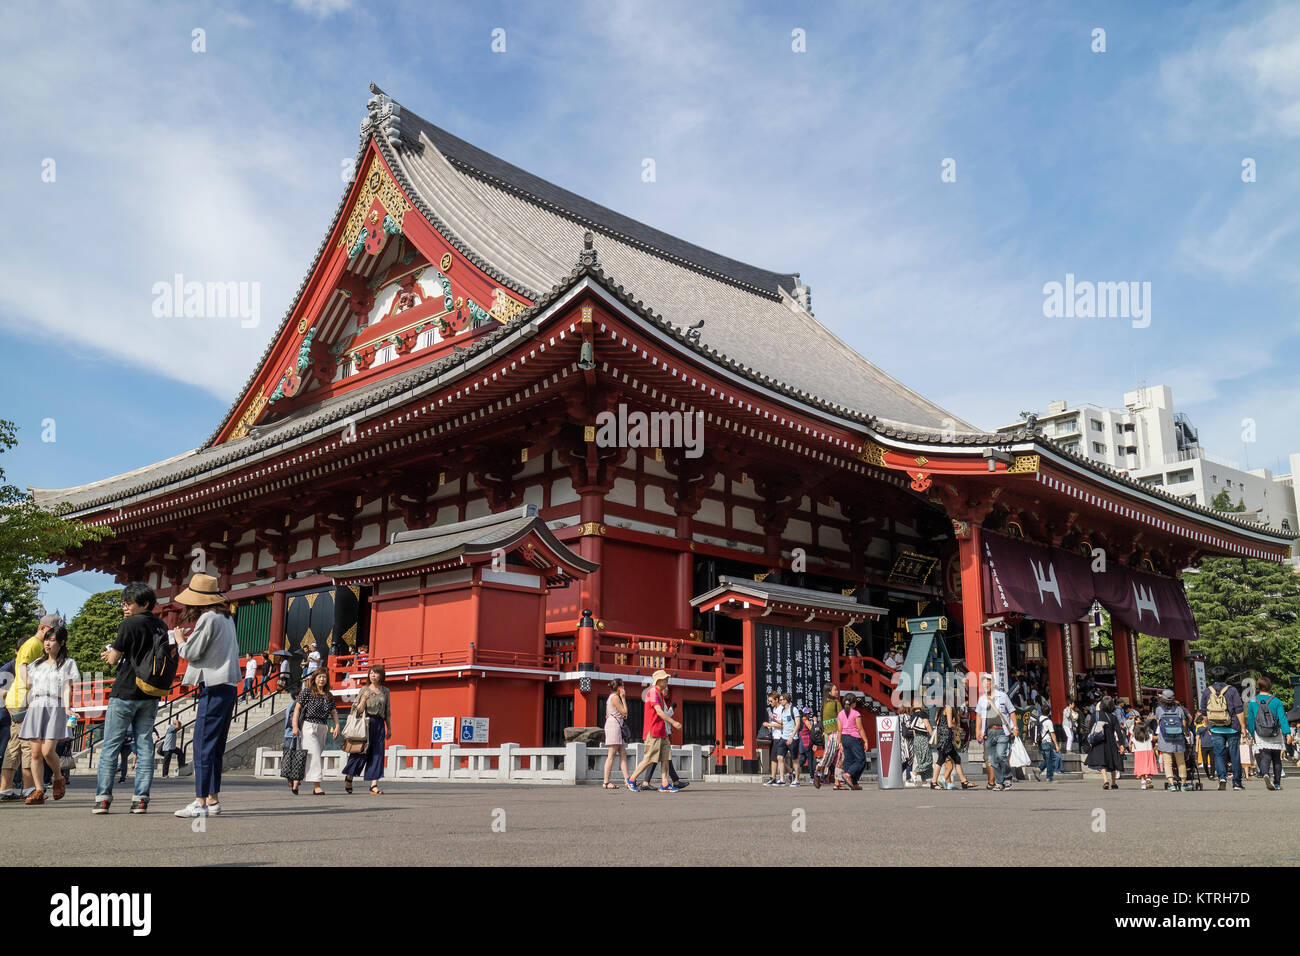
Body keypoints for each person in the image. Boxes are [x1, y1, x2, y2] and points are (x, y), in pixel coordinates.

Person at [172, 573, 241, 819]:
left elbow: (191, 652)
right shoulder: (226, 618)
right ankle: (212, 798)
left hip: (212, 685)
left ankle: (200, 801)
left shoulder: (208, 619)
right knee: (215, 746)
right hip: (229, 686)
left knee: (202, 745)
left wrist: (180, 640)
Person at [95, 586, 167, 815]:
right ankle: (140, 799)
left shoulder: (129, 624)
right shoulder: (161, 626)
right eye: (124, 602)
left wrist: (110, 654)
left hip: (126, 691)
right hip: (150, 693)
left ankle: (103, 798)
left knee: (111, 746)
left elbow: (114, 658)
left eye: (129, 602)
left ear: (144, 603)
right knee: (144, 746)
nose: (125, 606)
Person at [1, 615, 62, 802]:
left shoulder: (34, 645)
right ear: (43, 628)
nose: (52, 639)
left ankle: (6, 788)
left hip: (18, 699)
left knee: (16, 745)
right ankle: (29, 788)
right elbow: (24, 675)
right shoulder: (32, 645)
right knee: (28, 745)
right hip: (22, 700)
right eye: (50, 634)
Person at [18, 625, 79, 804]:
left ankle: (58, 777)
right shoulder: (36, 664)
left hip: (55, 705)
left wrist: (67, 708)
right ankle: (38, 790)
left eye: (52, 640)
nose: (48, 643)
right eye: (46, 639)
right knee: (35, 752)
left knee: (47, 751)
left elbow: (67, 687)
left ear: (61, 643)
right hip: (36, 705)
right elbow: (28, 685)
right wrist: (21, 666)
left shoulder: (68, 663)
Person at [626, 670, 680, 792]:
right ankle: (632, 779)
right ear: (659, 681)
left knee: (666, 757)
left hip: (661, 731)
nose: (667, 681)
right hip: (653, 731)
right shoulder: (653, 692)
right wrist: (674, 722)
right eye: (665, 679)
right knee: (649, 759)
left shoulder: (659, 694)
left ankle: (665, 783)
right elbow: (659, 712)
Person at [343, 664, 392, 794]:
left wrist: (389, 728)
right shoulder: (364, 689)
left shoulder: (385, 691)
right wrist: (364, 699)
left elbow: (387, 710)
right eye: (371, 673)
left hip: (379, 724)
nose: (373, 675)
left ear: (381, 675)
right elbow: (357, 710)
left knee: (378, 753)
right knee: (360, 751)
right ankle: (349, 777)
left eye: (376, 673)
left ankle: (373, 785)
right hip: (366, 722)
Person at [291, 667, 340, 795]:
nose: (322, 679)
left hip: (323, 727)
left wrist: (337, 725)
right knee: (316, 754)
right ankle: (317, 785)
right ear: (315, 678)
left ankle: (296, 779)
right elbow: (297, 709)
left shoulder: (329, 695)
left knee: (310, 756)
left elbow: (333, 712)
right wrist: (295, 726)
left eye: (324, 677)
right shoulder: (307, 692)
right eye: (319, 677)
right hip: (309, 726)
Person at [1199, 669, 1247, 791]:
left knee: (1219, 754)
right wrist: (1243, 727)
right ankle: (1237, 782)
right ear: (1226, 677)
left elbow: (1203, 710)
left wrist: (1207, 725)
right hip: (1232, 727)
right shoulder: (1232, 690)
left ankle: (1222, 778)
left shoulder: (1207, 691)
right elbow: (1239, 709)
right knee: (1234, 753)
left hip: (1215, 727)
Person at [1247, 676, 1291, 791]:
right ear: (1270, 686)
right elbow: (1282, 718)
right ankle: (1277, 783)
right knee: (1277, 758)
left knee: (1265, 755)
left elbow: (1251, 719)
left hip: (1260, 733)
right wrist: (1288, 733)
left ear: (1259, 686)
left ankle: (1265, 773)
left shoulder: (1252, 701)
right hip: (1275, 732)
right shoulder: (1276, 701)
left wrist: (1251, 733)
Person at [976, 676, 1017, 791]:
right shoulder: (982, 699)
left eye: (988, 683)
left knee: (1000, 755)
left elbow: (1012, 711)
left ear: (993, 684)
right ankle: (999, 782)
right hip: (988, 732)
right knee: (992, 759)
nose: (986, 686)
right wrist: (978, 731)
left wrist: (1015, 727)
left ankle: (1007, 777)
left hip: (1002, 731)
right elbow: (978, 716)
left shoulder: (1002, 696)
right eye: (984, 684)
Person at [1085, 696, 1126, 789]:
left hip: (1099, 741)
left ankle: (1105, 780)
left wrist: (1090, 740)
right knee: (1112, 761)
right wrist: (1122, 745)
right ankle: (1114, 782)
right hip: (1111, 741)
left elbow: (1091, 728)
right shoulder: (1113, 717)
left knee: (1102, 761)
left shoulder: (1095, 715)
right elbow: (1118, 731)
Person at [1154, 689, 1190, 792]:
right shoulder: (1178, 709)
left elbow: (1159, 724)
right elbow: (1183, 723)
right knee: (1181, 762)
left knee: (1167, 762)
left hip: (1165, 740)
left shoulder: (1159, 710)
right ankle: (1183, 784)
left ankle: (1171, 783)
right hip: (1178, 739)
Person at [931, 703, 973, 790]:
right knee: (941, 760)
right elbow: (950, 725)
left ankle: (964, 782)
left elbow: (936, 720)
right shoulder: (949, 707)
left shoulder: (940, 708)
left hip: (942, 737)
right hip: (946, 738)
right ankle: (934, 782)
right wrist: (957, 728)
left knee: (957, 758)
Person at [601, 678, 630, 790]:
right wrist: (623, 698)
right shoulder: (615, 698)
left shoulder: (612, 697)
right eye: (623, 686)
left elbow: (624, 715)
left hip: (616, 725)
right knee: (611, 755)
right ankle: (606, 782)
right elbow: (625, 712)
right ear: (619, 688)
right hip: (614, 726)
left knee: (623, 753)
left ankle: (627, 779)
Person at [837, 693, 867, 790]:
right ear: (853, 703)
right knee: (861, 760)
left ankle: (853, 782)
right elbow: (860, 728)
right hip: (854, 738)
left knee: (849, 761)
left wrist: (839, 742)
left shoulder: (840, 714)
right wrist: (865, 740)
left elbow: (839, 729)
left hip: (845, 738)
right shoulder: (856, 713)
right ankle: (848, 774)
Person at [816, 682, 842, 789]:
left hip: (828, 734)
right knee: (834, 757)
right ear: (829, 692)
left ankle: (836, 782)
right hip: (836, 733)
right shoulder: (836, 704)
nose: (837, 692)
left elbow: (823, 721)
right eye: (835, 690)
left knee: (833, 757)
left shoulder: (824, 705)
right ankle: (818, 773)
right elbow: (842, 719)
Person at [1034, 699, 1061, 783]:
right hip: (1047, 742)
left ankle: (1038, 769)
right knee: (1050, 760)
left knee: (1047, 759)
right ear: (1049, 712)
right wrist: (1056, 745)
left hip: (1040, 742)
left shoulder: (1039, 719)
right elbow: (1052, 734)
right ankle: (1049, 777)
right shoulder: (1048, 721)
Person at [1131, 710, 1157, 789]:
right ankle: (1149, 778)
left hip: (1139, 753)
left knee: (1141, 768)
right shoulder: (1148, 736)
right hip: (1148, 752)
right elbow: (1156, 738)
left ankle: (1143, 783)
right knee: (1149, 766)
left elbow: (1132, 745)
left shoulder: (1134, 737)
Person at [761, 692, 784, 786]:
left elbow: (783, 725)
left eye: (771, 701)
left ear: (776, 699)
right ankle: (790, 772)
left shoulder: (781, 709)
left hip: (780, 737)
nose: (770, 703)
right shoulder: (774, 709)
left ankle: (774, 778)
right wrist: (770, 726)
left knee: (776, 758)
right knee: (777, 758)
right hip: (775, 736)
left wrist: (770, 724)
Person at [908, 706, 933, 786]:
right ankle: (915, 772)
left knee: (921, 760)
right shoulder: (923, 713)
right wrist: (932, 736)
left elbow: (914, 730)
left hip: (916, 739)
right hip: (923, 738)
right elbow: (927, 725)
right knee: (928, 760)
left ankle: (924, 781)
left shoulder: (912, 715)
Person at [794, 706, 817, 787]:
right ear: (807, 714)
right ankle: (812, 778)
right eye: (809, 713)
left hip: (801, 742)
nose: (810, 715)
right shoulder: (806, 721)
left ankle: (794, 771)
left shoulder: (800, 720)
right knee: (810, 759)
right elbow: (812, 730)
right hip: (807, 742)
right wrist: (814, 722)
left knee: (803, 758)